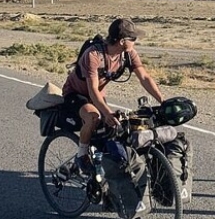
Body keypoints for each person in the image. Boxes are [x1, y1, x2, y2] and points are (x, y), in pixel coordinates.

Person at [61, 17, 164, 174]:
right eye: (133, 38)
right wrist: (106, 112)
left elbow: (144, 78)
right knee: (94, 117)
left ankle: (100, 163)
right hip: (76, 93)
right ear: (122, 40)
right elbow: (92, 90)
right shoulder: (94, 55)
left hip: (98, 94)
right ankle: (81, 155)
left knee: (115, 127)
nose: (135, 41)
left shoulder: (128, 54)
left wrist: (162, 101)